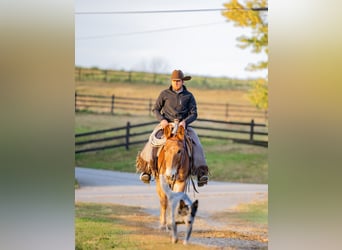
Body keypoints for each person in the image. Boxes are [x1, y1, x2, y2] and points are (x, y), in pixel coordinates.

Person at [136, 69, 209, 187]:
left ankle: (201, 173)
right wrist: (162, 120)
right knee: (152, 141)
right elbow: (155, 109)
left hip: (182, 127)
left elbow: (194, 114)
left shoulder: (188, 96)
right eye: (174, 81)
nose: (176, 83)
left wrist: (185, 122)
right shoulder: (164, 94)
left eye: (178, 81)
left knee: (197, 144)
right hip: (166, 125)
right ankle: (147, 170)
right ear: (171, 81)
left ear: (183, 82)